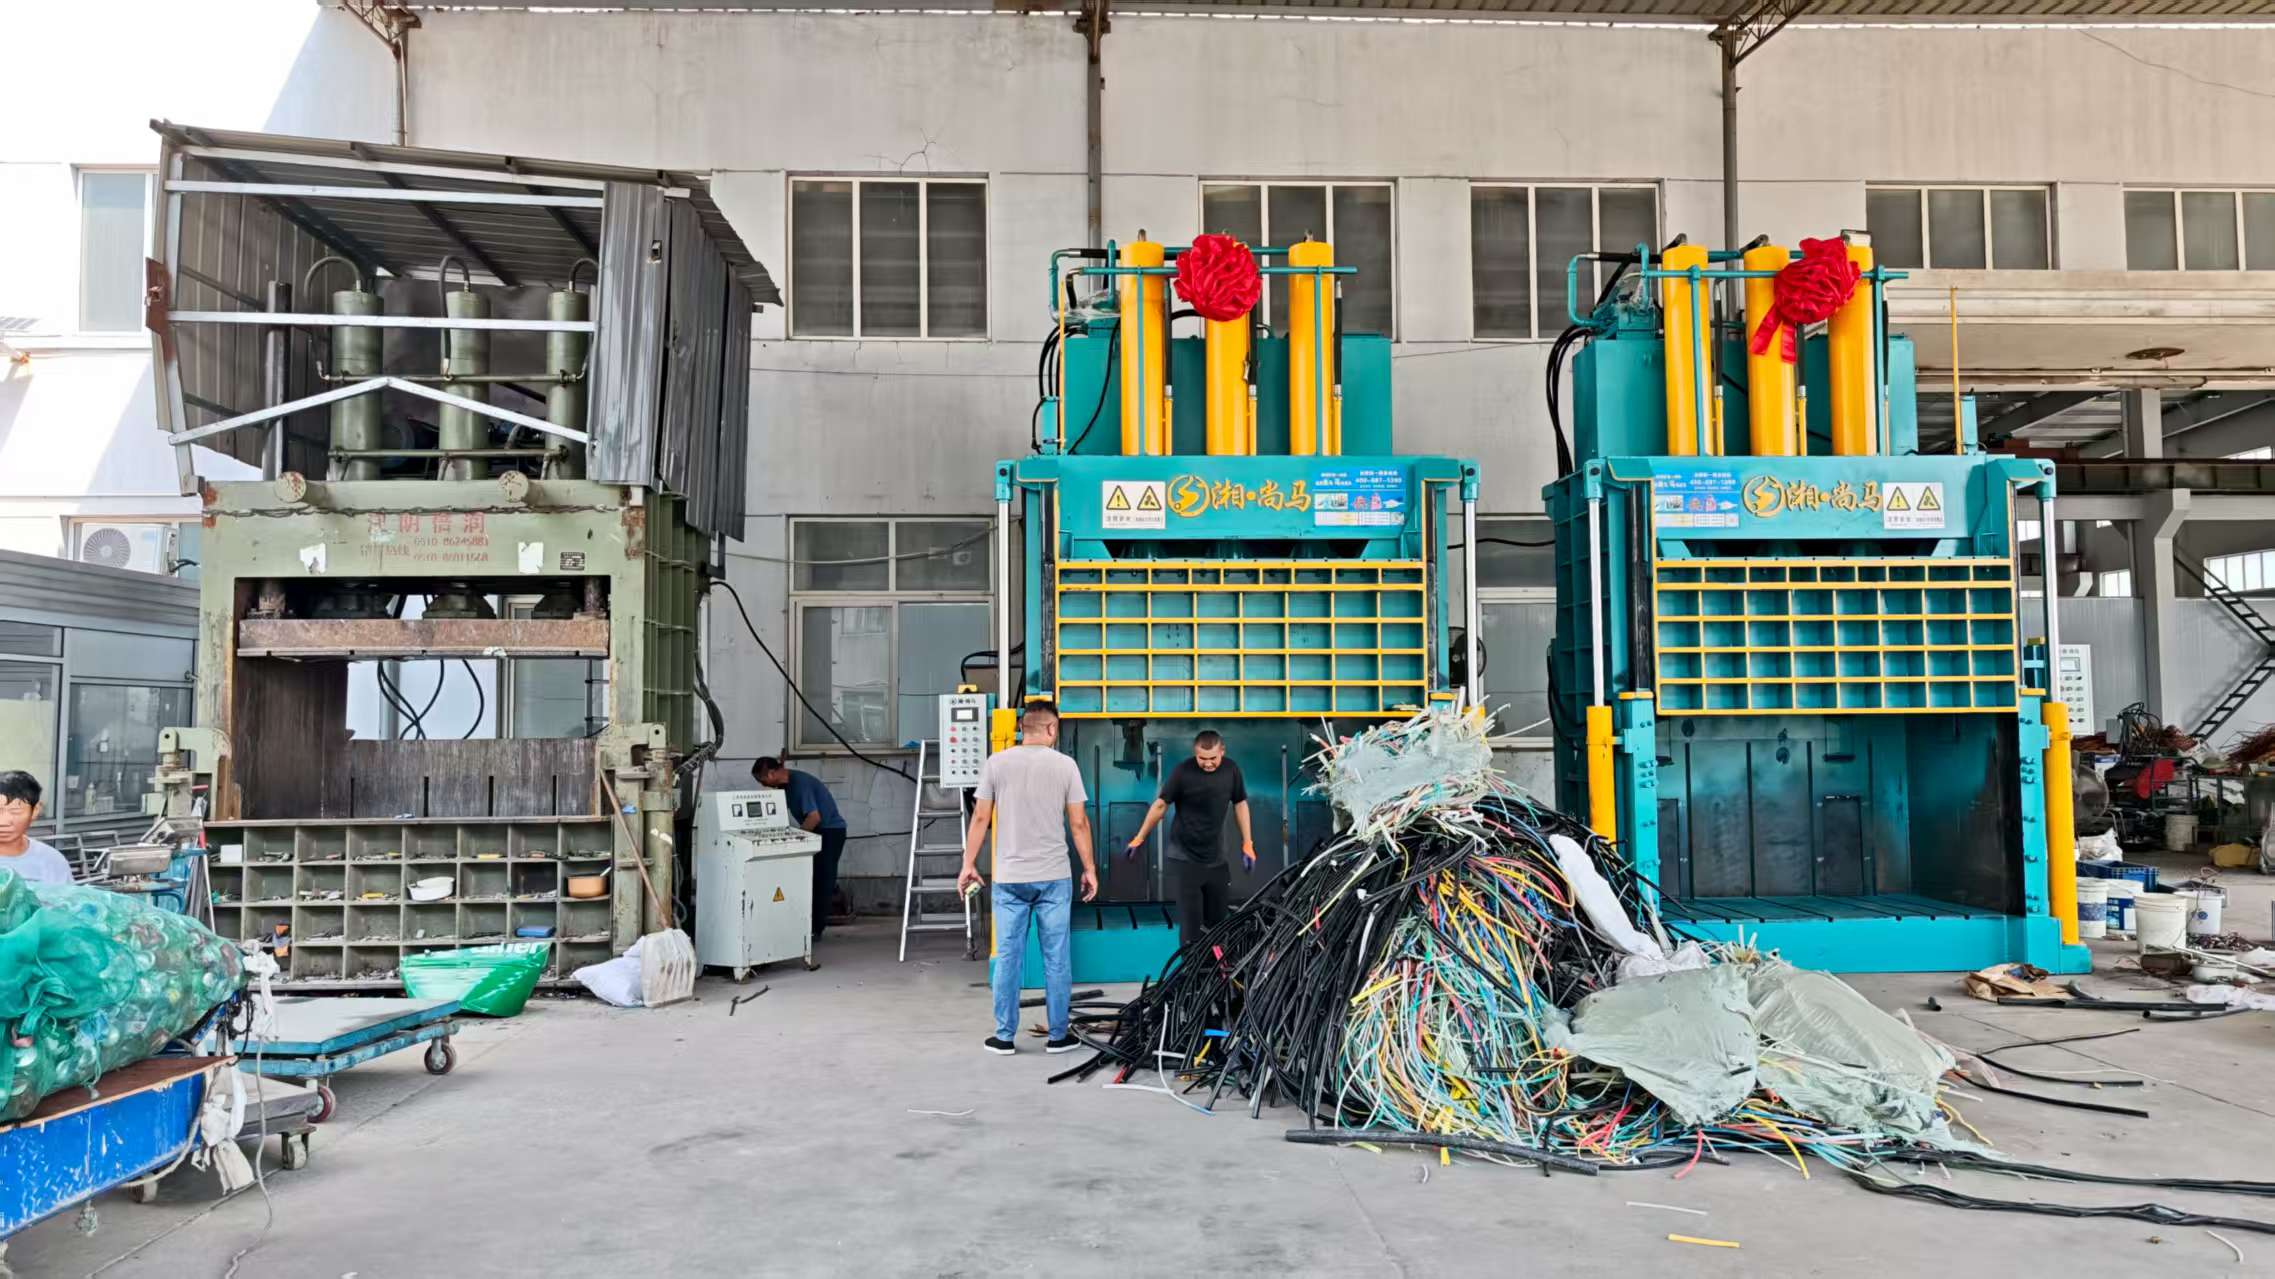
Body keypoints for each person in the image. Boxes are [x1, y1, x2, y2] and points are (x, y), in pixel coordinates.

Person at [956, 701, 1096, 1056]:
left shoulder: (996, 763)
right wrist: (1089, 868)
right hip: (1054, 876)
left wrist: (968, 864)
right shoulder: (1066, 765)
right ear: (1052, 728)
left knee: (1008, 957)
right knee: (1056, 957)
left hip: (1010, 878)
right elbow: (1078, 823)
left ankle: (1004, 1037)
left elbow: (980, 818)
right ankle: (1058, 1037)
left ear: (1022, 728)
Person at [1126, 730, 1253, 948]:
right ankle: (1191, 968)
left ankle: (1214, 970)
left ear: (1222, 751)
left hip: (1217, 860)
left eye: (1213, 758)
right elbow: (1161, 805)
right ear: (1195, 753)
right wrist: (1139, 838)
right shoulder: (1183, 772)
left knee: (1217, 925)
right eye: (1202, 758)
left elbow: (1240, 804)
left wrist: (1248, 843)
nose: (1208, 763)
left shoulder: (1231, 770)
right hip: (1185, 859)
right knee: (1192, 928)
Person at [753, 756, 848, 940]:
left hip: (830, 831)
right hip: (818, 831)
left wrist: (797, 839)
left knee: (822, 880)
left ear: (771, 774)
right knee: (810, 878)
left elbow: (814, 817)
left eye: (762, 780)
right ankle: (805, 923)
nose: (763, 785)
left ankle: (816, 929)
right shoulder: (785, 785)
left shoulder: (799, 784)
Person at [0, 771, 73, 886]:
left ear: (35, 810)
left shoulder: (51, 860)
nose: (3, 822)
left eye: (15, 811)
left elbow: (66, 896)